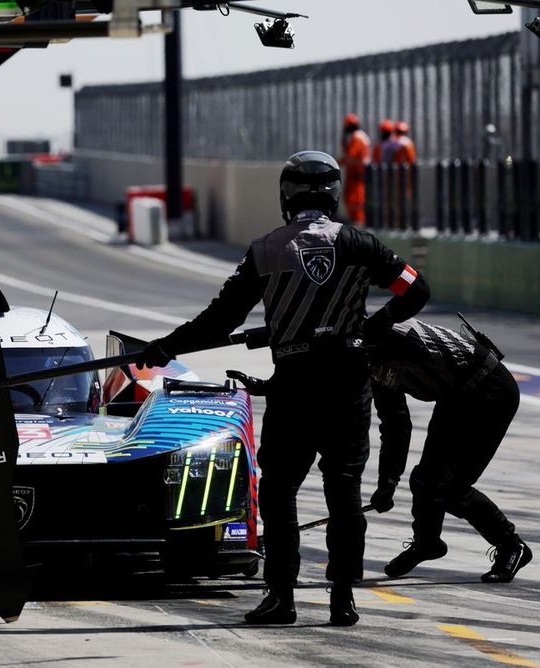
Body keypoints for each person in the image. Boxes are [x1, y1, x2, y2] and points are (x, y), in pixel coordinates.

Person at [135, 150, 430, 627]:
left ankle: (282, 597)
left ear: (285, 195)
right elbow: (416, 291)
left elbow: (220, 319)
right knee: (344, 490)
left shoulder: (267, 249)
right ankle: (342, 598)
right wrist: (368, 331)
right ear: (334, 194)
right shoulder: (363, 245)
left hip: (295, 387)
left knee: (278, 492)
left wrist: (166, 347)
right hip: (349, 384)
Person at [366, 318, 530, 583]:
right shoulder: (372, 355)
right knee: (424, 480)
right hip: (457, 395)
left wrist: (388, 483)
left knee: (450, 489)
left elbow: (397, 425)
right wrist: (388, 482)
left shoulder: (386, 345)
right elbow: (395, 424)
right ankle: (427, 544)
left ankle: (512, 545)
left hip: (491, 391)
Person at [339, 113, 371, 226]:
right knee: (356, 198)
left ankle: (357, 223)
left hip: (356, 174)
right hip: (359, 173)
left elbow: (351, 156)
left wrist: (338, 162)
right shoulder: (361, 136)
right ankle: (357, 222)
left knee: (353, 199)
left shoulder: (356, 138)